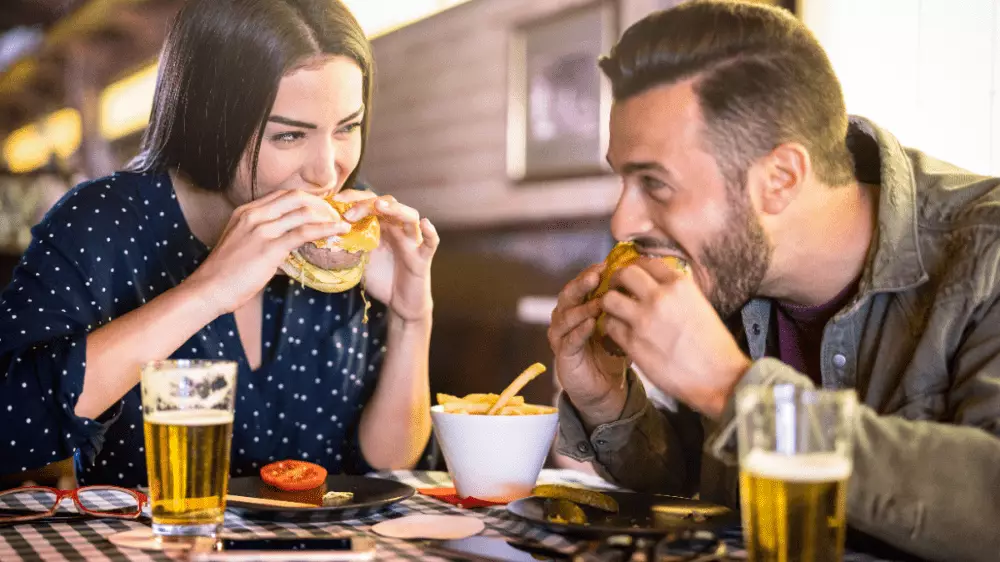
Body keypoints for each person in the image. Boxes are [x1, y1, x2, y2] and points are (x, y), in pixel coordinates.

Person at [547, 2, 1000, 561]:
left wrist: (732, 388)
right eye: (623, 179)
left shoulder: (988, 252)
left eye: (655, 183)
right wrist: (608, 402)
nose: (622, 223)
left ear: (780, 178)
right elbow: (699, 486)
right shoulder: (732, 272)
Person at [0, 0, 439, 487]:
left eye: (348, 128)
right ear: (209, 120)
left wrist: (411, 318)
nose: (327, 170)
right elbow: (11, 429)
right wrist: (206, 291)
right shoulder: (102, 221)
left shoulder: (354, 237)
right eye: (290, 136)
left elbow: (385, 463)